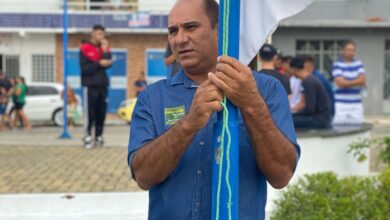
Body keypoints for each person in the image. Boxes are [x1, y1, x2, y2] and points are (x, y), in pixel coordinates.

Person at [127, 0, 299, 219]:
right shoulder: (153, 97)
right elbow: (143, 176)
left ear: (220, 30)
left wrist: (251, 103)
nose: (180, 39)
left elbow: (281, 175)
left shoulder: (266, 90)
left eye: (191, 27)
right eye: (173, 31)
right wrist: (189, 122)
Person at [80, 24, 112, 148]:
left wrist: (105, 50)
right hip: (90, 85)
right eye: (99, 33)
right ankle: (87, 136)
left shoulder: (104, 47)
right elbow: (85, 68)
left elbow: (108, 62)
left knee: (101, 113)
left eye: (103, 34)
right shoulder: (85, 48)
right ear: (93, 33)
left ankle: (99, 136)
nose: (102, 36)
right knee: (90, 113)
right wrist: (99, 63)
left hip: (102, 85)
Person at [290, 57, 331, 129]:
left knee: (287, 121)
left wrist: (295, 114)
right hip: (321, 117)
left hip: (320, 119)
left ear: (294, 69)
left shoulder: (308, 81)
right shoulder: (310, 79)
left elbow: (310, 109)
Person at [332, 41, 366, 125]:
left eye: (353, 50)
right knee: (338, 128)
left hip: (356, 103)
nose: (351, 52)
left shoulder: (359, 64)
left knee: (358, 129)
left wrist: (346, 82)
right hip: (341, 103)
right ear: (343, 50)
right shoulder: (337, 64)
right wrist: (356, 81)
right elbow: (340, 83)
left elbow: (362, 80)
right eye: (349, 50)